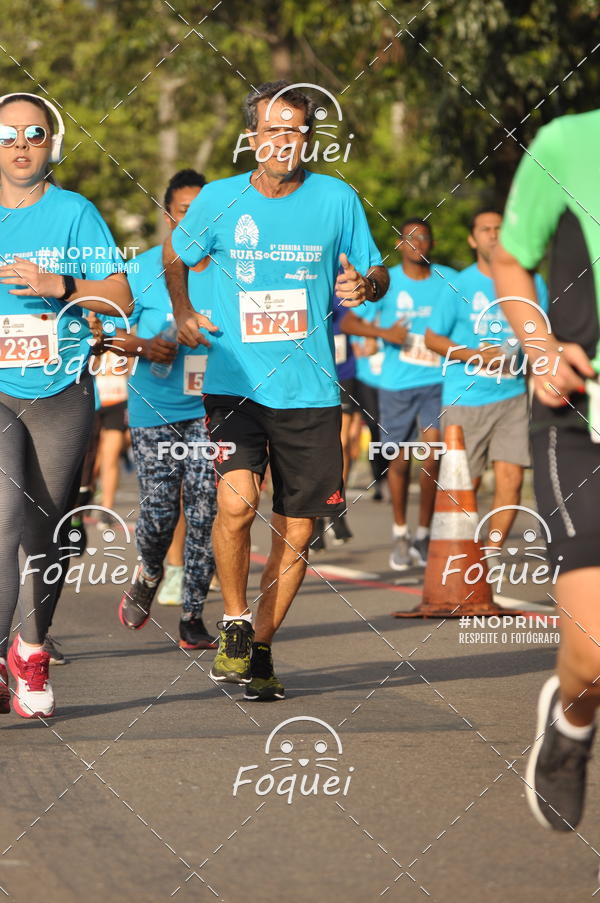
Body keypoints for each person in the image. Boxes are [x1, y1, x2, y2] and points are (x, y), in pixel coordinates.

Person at [163, 81, 387, 701]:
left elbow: (377, 269)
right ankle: (234, 621)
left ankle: (259, 646)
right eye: (273, 130)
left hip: (310, 390)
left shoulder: (337, 199)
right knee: (235, 506)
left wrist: (365, 286)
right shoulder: (217, 199)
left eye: (297, 131)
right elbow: (176, 254)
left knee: (296, 532)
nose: (285, 142)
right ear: (252, 138)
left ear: (307, 139)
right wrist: (183, 312)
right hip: (236, 383)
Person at [0, 92, 132, 718]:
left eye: (33, 133)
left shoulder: (76, 213)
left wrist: (60, 286)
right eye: (8, 134)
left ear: (50, 142)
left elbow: (120, 297)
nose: (21, 144)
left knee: (46, 527)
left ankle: (29, 652)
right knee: (1, 515)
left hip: (58, 387)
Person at [491, 109, 600, 832]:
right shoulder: (570, 141)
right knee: (592, 652)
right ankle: (571, 719)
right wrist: (540, 346)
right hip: (579, 415)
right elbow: (509, 256)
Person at [114, 168, 217, 650]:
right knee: (158, 514)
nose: (193, 222)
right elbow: (106, 334)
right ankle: (150, 571)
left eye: (203, 213)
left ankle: (193, 614)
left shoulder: (228, 269)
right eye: (183, 213)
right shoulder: (139, 270)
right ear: (167, 215)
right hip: (154, 407)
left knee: (204, 511)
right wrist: (144, 346)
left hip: (211, 410)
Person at [425, 210, 548, 551]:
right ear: (472, 239)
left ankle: (491, 553)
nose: (493, 235)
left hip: (512, 394)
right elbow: (432, 339)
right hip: (465, 398)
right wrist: (474, 356)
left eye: (499, 229)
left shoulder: (532, 282)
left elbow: (541, 336)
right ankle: (464, 554)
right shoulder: (459, 284)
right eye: (485, 229)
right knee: (467, 483)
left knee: (512, 477)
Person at [351, 219, 454, 569]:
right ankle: (400, 533)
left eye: (423, 236)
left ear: (432, 243)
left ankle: (424, 535)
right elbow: (349, 322)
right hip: (396, 385)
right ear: (399, 245)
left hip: (436, 383)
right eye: (409, 238)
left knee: (431, 456)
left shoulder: (449, 279)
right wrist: (383, 333)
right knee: (399, 460)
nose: (417, 243)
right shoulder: (387, 282)